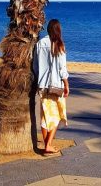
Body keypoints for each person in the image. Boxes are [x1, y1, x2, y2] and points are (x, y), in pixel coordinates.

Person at [33, 19, 70, 154]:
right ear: (58, 30)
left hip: (42, 85)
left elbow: (35, 67)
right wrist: (66, 84)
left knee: (44, 116)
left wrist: (39, 80)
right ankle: (48, 145)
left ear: (48, 29)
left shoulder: (40, 44)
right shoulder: (59, 44)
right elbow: (62, 69)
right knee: (57, 115)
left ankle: (46, 145)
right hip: (55, 86)